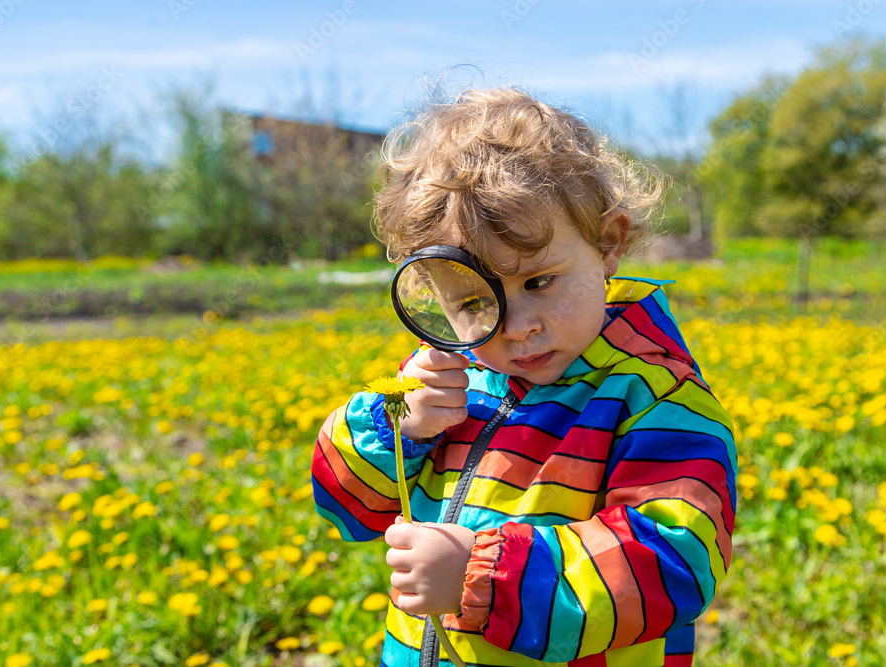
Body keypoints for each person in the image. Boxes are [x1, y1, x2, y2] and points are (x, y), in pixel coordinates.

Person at [312, 87, 737, 667]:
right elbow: (345, 508)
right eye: (474, 305)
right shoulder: (447, 386)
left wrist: (485, 574)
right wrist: (398, 433)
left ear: (607, 244)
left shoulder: (654, 400)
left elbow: (677, 565)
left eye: (539, 282)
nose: (517, 329)